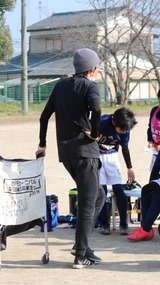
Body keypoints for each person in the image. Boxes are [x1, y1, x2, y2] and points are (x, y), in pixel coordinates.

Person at [36, 48, 104, 269]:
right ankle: (80, 255)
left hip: (66, 154)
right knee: (87, 202)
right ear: (92, 68)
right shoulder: (90, 86)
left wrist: (42, 144)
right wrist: (94, 133)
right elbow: (96, 108)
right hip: (85, 153)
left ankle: (81, 245)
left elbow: (44, 116)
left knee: (98, 195)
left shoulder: (61, 85)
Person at [96, 107, 138, 236]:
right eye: (123, 129)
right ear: (114, 122)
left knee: (119, 190)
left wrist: (129, 168)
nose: (125, 132)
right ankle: (104, 223)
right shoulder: (101, 123)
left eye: (127, 130)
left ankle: (124, 224)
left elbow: (125, 148)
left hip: (112, 157)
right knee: (102, 191)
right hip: (97, 156)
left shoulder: (125, 128)